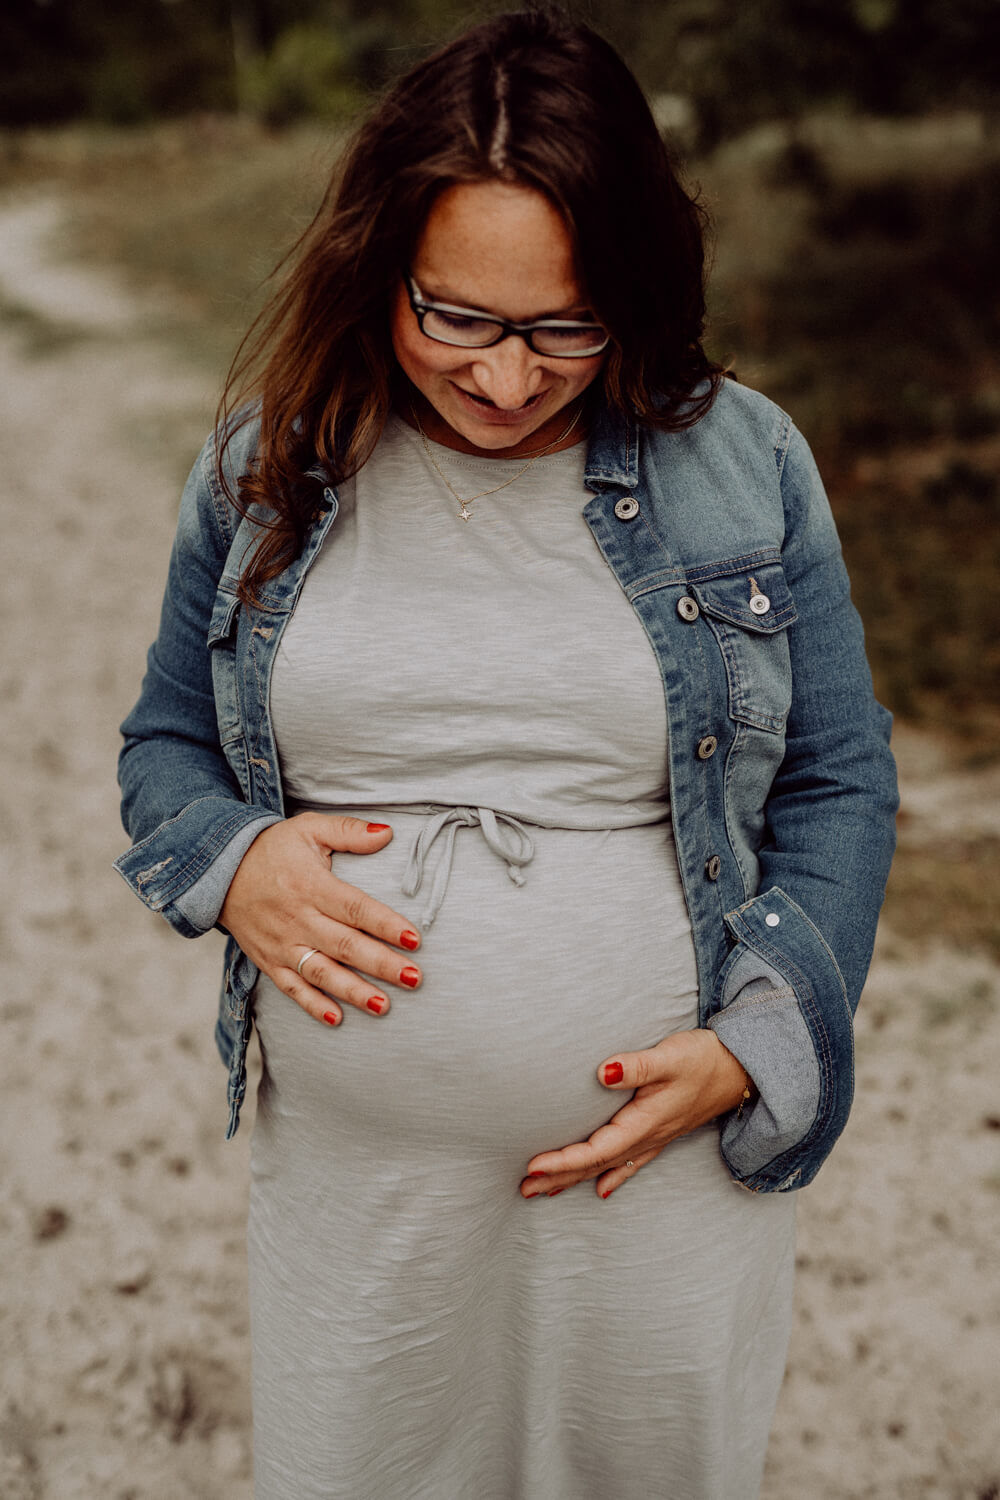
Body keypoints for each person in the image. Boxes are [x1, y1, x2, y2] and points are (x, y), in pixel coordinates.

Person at [114, 9, 898, 1497]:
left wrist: (759, 1044)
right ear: (381, 267)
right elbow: (163, 742)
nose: (503, 375)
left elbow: (841, 780)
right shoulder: (266, 470)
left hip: (654, 1166)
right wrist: (234, 864)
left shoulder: (748, 464)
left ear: (638, 293)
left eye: (564, 326)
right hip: (363, 1190)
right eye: (457, 316)